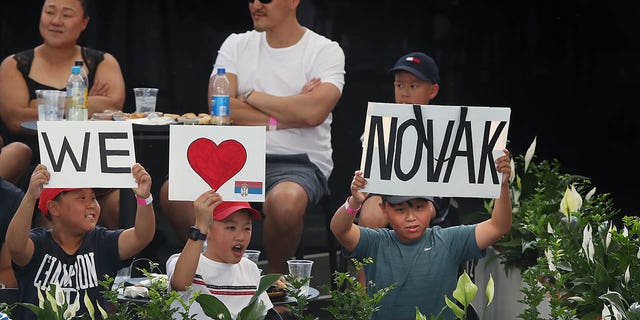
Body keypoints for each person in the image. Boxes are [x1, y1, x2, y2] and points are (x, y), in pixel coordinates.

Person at [160, 0, 345, 274]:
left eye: (266, 0)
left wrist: (249, 95)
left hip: (297, 161)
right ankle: (208, 274)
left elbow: (313, 113)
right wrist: (288, 110)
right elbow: (220, 106)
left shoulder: (325, 50)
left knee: (286, 202)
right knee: (171, 192)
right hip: (236, 153)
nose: (256, 5)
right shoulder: (236, 44)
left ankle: (275, 286)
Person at [330, 150, 512, 319]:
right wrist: (354, 202)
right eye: (400, 209)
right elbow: (340, 229)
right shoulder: (375, 242)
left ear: (431, 206)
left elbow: (498, 226)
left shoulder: (449, 240)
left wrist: (502, 187)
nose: (411, 217)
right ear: (384, 209)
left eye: (419, 208)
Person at [0, 0, 126, 229]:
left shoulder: (103, 62)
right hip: (37, 159)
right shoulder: (15, 65)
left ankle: (123, 261)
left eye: (67, 14)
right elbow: (15, 118)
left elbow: (112, 105)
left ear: (84, 22)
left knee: (122, 202)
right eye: (49, 12)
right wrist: (81, 100)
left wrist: (42, 103)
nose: (56, 21)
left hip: (91, 161)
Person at [5, 163, 155, 320]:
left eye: (94, 198)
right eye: (82, 198)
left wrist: (144, 198)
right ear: (54, 208)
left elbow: (141, 236)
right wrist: (30, 197)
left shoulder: (102, 242)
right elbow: (15, 246)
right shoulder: (38, 244)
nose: (91, 204)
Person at [358, 51, 441, 229]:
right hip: (385, 191)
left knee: (419, 213)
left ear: (433, 91)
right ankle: (369, 258)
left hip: (428, 192)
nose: (404, 93)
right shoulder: (381, 122)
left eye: (413, 87)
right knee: (371, 216)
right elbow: (372, 170)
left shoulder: (444, 125)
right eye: (399, 85)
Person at [166, 191, 271, 320]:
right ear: (208, 230)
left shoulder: (250, 268)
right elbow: (181, 283)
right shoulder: (182, 262)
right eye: (231, 227)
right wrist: (200, 227)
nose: (241, 236)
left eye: (247, 228)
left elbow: (264, 313)